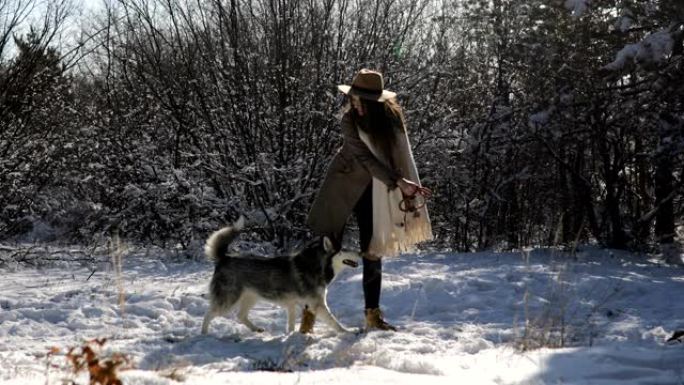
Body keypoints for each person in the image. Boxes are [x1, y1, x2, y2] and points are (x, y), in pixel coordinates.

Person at [307, 69, 433, 331]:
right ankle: (310, 312)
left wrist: (406, 184)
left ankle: (372, 315)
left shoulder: (391, 121)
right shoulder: (348, 121)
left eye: (361, 100)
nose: (355, 104)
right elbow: (365, 158)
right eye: (353, 99)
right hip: (343, 185)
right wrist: (398, 182)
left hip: (377, 190)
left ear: (376, 103)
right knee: (328, 250)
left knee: (373, 251)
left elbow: (401, 155)